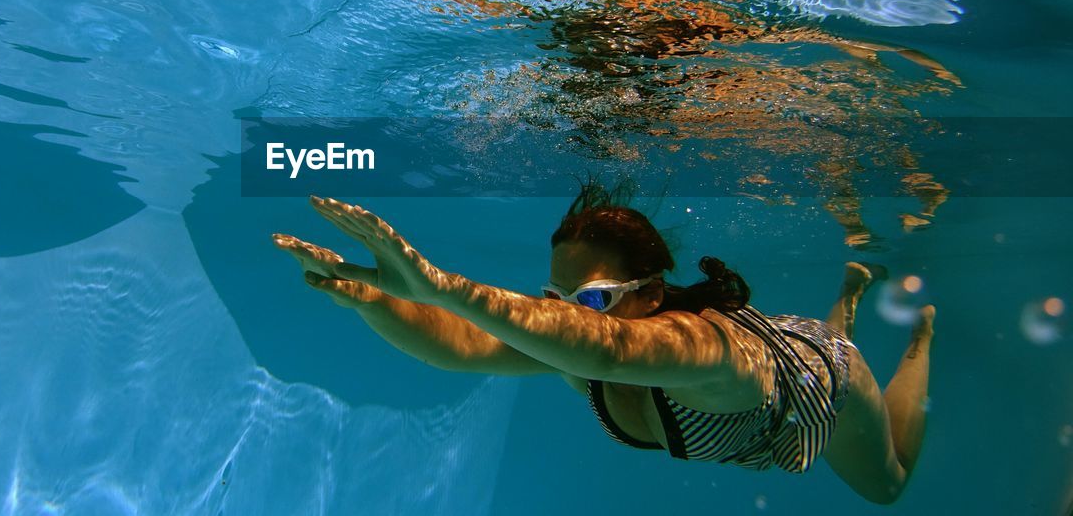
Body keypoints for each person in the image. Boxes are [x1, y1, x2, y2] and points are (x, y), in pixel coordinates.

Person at [272, 181, 934, 504]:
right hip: (774, 385)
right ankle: (846, 299)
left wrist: (440, 283)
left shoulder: (703, 348)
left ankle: (914, 340)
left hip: (825, 384)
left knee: (890, 483)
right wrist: (374, 299)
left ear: (649, 293)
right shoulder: (575, 345)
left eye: (589, 301)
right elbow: (462, 344)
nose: (566, 319)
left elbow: (611, 350)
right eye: (556, 302)